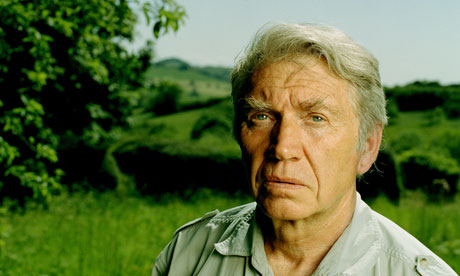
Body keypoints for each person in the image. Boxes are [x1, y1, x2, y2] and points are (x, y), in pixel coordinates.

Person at [152, 23, 457, 276]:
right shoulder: (187, 254)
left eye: (315, 118)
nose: (282, 147)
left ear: (367, 146)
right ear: (238, 132)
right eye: (262, 116)